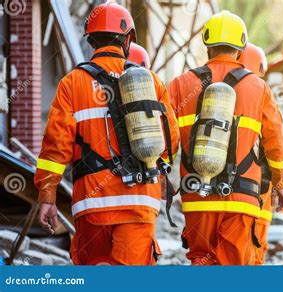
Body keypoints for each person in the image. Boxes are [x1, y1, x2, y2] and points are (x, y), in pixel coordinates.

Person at [34, 2, 179, 265]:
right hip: (140, 202)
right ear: (127, 40)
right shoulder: (151, 81)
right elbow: (171, 139)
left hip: (93, 205)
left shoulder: (72, 84)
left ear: (90, 40)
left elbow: (55, 148)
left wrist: (47, 196)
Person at [168, 10, 283, 265]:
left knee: (202, 263)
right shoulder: (258, 88)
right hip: (241, 199)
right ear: (241, 47)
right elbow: (277, 142)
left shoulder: (180, 84)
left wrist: (159, 177)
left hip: (196, 198)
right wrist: (280, 184)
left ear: (207, 44)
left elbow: (164, 137)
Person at [238, 42, 283, 264]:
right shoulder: (260, 94)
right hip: (254, 201)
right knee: (249, 259)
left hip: (205, 200)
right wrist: (280, 185)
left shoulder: (208, 92)